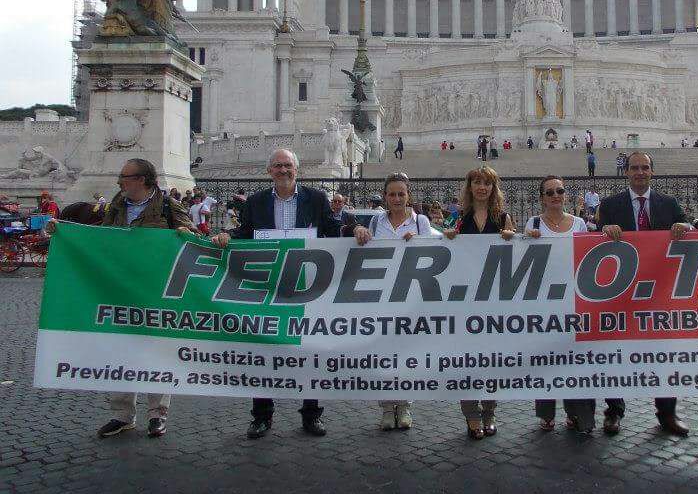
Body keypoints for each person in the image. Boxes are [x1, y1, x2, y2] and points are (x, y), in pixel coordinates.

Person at [47, 159, 196, 438]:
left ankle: (157, 413)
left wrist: (186, 234)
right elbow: (100, 240)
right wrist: (62, 231)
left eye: (124, 177)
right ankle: (122, 414)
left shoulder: (168, 206)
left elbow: (193, 240)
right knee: (120, 348)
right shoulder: (114, 207)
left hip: (156, 290)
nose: (119, 181)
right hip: (119, 289)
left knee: (156, 350)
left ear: (142, 180)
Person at [210, 148, 340, 439]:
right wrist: (228, 236)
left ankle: (311, 414)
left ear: (297, 169)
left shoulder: (316, 198)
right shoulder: (256, 201)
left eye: (288, 165)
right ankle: (261, 416)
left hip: (306, 286)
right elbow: (245, 232)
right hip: (267, 286)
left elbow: (333, 228)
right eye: (278, 166)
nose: (283, 170)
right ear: (269, 171)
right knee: (263, 349)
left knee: (309, 348)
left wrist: (355, 229)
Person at [595, 152, 693, 437]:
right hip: (621, 289)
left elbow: (687, 225)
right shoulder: (610, 205)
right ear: (626, 172)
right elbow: (596, 237)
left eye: (645, 167)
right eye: (635, 168)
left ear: (652, 171)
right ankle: (614, 410)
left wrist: (684, 227)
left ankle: (667, 413)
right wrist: (605, 229)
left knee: (663, 350)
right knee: (614, 350)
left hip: (659, 287)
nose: (640, 172)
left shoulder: (668, 203)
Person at [353, 173, 434, 431]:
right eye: (392, 194)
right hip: (382, 296)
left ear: (408, 195)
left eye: (401, 194)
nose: (397, 199)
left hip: (411, 296)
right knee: (384, 353)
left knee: (406, 353)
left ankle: (405, 404)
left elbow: (437, 247)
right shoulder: (376, 221)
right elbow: (361, 241)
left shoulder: (420, 221)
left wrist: (418, 242)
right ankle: (387, 407)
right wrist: (358, 230)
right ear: (385, 197)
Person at [442, 166, 515, 439]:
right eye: (477, 182)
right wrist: (448, 237)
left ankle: (490, 411)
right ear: (470, 187)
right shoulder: (459, 218)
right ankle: (472, 414)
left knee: (492, 359)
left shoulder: (503, 218)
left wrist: (512, 238)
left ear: (493, 188)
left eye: (487, 183)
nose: (482, 187)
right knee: (467, 360)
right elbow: (444, 244)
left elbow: (516, 255)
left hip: (494, 300)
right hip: (465, 300)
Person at [522, 175, 595, 433]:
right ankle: (546, 413)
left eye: (560, 191)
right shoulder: (533, 223)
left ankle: (577, 413)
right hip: (544, 301)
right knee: (546, 358)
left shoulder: (579, 223)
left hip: (574, 300)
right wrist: (525, 239)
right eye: (550, 192)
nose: (556, 195)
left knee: (577, 360)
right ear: (542, 198)